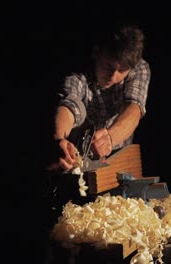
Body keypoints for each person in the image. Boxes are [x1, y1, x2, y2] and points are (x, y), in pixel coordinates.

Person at [50, 23, 151, 172]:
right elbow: (69, 105)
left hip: (119, 159)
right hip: (77, 160)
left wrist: (110, 138)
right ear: (96, 52)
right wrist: (59, 138)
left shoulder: (139, 68)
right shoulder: (79, 73)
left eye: (122, 70)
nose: (113, 76)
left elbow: (134, 109)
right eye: (108, 67)